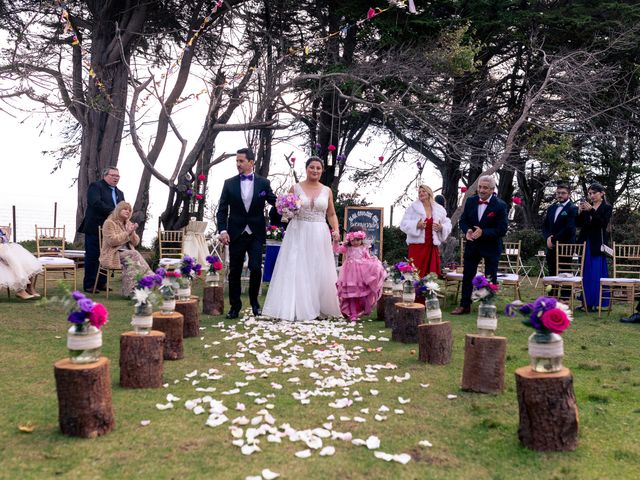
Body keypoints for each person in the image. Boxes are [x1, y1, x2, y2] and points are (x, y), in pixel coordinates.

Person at [262, 157, 342, 321]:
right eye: (312, 167)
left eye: (318, 168)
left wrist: (336, 229)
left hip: (319, 231)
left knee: (318, 267)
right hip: (298, 230)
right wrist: (286, 211)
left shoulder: (327, 190)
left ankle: (319, 306)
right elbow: (283, 211)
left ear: (322, 171)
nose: (315, 170)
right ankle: (297, 307)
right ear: (306, 169)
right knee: (297, 266)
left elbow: (331, 214)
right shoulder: (296, 188)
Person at [216, 148, 277, 318]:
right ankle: (235, 307)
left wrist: (289, 204)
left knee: (256, 268)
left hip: (256, 233)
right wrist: (223, 230)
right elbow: (222, 210)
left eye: (241, 161)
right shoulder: (229, 183)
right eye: (236, 161)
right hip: (235, 233)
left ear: (251, 162)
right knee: (234, 270)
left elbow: (273, 201)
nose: (238, 164)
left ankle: (255, 304)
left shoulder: (264, 183)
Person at [451, 175, 508, 315]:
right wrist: (467, 230)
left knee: (490, 277)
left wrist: (484, 232)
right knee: (467, 275)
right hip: (473, 245)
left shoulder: (500, 205)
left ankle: (487, 307)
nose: (482, 190)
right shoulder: (470, 201)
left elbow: (502, 229)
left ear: (492, 189)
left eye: (485, 188)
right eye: (480, 187)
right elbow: (463, 221)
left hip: (491, 246)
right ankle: (464, 305)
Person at [78, 166, 124, 292]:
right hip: (95, 227)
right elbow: (95, 203)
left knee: (106, 255)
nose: (115, 178)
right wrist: (114, 212)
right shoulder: (96, 186)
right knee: (93, 256)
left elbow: (123, 209)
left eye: (117, 176)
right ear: (105, 176)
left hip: (110, 231)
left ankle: (101, 283)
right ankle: (89, 284)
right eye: (113, 175)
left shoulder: (120, 193)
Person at [99, 201, 152, 296]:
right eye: (125, 209)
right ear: (118, 210)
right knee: (133, 254)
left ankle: (132, 291)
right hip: (112, 254)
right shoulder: (109, 223)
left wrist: (132, 233)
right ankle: (150, 278)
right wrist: (127, 233)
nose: (128, 211)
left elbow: (135, 243)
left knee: (131, 261)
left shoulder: (128, 223)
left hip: (127, 254)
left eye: (129, 210)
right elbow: (112, 241)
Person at [334, 226, 386, 322]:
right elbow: (337, 249)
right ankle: (353, 314)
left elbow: (368, 258)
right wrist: (336, 241)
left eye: (358, 240)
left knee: (362, 292)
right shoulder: (347, 247)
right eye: (353, 240)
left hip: (362, 274)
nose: (355, 242)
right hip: (349, 275)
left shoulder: (364, 248)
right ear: (349, 239)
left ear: (362, 239)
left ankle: (365, 308)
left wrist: (374, 263)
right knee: (351, 295)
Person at [399, 185, 452, 278]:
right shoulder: (413, 208)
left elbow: (448, 224)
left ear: (429, 193)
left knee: (432, 275)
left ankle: (429, 292)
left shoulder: (439, 209)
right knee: (416, 273)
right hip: (417, 247)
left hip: (432, 246)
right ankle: (414, 292)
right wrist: (416, 225)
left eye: (423, 191)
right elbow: (403, 224)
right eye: (419, 192)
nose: (421, 193)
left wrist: (441, 227)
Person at [576, 182, 612, 312]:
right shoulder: (587, 207)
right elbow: (579, 224)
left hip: (597, 245)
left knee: (596, 273)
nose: (591, 196)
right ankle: (585, 302)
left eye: (593, 193)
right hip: (585, 243)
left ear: (601, 193)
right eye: (589, 193)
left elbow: (601, 224)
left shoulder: (607, 207)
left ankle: (596, 302)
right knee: (585, 273)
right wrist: (580, 212)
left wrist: (591, 211)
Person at [542, 182, 578, 276]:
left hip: (565, 246)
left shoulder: (573, 208)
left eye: (563, 193)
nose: (560, 195)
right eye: (558, 193)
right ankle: (552, 291)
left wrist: (553, 240)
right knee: (551, 272)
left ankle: (566, 291)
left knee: (565, 274)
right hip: (551, 246)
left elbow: (569, 228)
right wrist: (547, 238)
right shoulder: (551, 208)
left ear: (569, 195)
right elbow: (545, 226)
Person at [0, 225, 42, 299]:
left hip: (5, 247)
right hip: (3, 250)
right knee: (10, 256)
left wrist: (5, 234)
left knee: (25, 260)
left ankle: (29, 287)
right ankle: (20, 290)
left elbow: (5, 240)